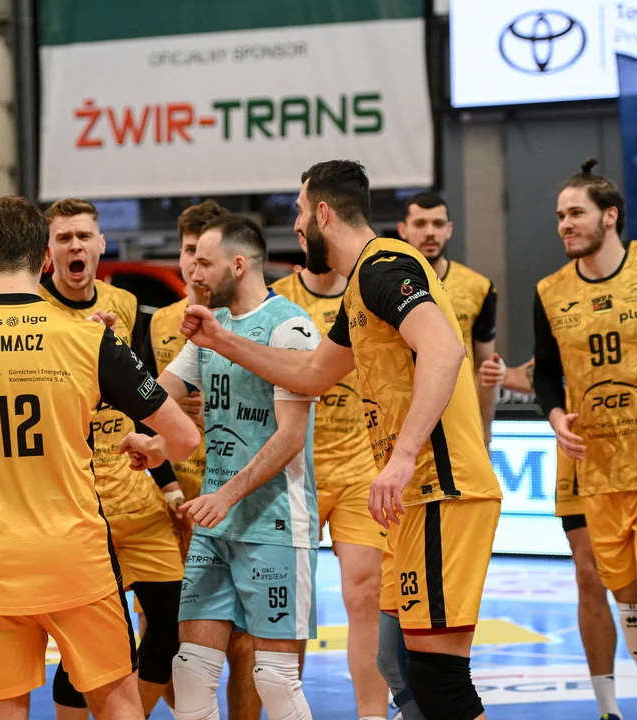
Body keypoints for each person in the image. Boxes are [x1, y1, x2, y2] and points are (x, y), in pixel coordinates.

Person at [181, 160, 503, 720]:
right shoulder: (359, 289)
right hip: (411, 500)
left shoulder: (384, 267)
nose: (296, 225)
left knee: (437, 675)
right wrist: (221, 340)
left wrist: (402, 457)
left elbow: (445, 348)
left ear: (323, 213)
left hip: (441, 490)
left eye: (301, 211)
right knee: (396, 664)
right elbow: (311, 375)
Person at [0, 195, 200, 720]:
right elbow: (185, 437)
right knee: (118, 705)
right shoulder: (90, 338)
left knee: (1, 711)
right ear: (43, 258)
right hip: (76, 560)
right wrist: (153, 449)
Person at [156, 215, 320, 720]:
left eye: (204, 262)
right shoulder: (212, 325)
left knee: (275, 680)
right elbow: (159, 394)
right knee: (189, 671)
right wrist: (152, 440)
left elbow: (290, 437)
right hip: (214, 524)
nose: (193, 272)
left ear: (239, 264)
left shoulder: (290, 327)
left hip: (274, 524)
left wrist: (226, 496)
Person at [41, 198, 189, 717]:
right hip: (78, 505)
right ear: (48, 251)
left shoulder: (123, 304)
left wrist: (169, 486)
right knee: (90, 648)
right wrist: (86, 348)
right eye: (64, 238)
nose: (75, 246)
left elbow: (144, 401)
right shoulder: (36, 312)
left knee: (170, 629)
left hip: (137, 498)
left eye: (84, 236)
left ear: (101, 244)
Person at [534, 159, 637, 707]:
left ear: (610, 216)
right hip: (598, 476)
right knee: (635, 621)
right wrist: (556, 416)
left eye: (576, 213)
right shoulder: (550, 291)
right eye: (560, 216)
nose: (565, 224)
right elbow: (546, 375)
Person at [151, 200, 264, 720]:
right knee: (170, 633)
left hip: (235, 493)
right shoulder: (159, 322)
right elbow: (146, 402)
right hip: (170, 497)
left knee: (246, 638)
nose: (196, 265)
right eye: (188, 252)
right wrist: (168, 485)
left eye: (205, 254)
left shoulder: (259, 320)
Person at [272, 233, 390, 719]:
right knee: (290, 608)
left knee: (366, 593)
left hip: (360, 466)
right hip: (293, 468)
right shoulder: (277, 299)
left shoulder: (369, 293)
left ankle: (372, 716)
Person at [478, 356, 622, 720]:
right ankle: (608, 709)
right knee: (588, 576)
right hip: (580, 458)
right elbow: (542, 374)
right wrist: (503, 374)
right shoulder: (560, 321)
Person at [397, 193, 497, 447]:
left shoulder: (478, 287)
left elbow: (484, 370)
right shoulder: (386, 285)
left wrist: (485, 433)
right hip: (400, 420)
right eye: (420, 224)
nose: (430, 232)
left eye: (438, 224)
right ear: (403, 230)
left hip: (460, 424)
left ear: (450, 229)